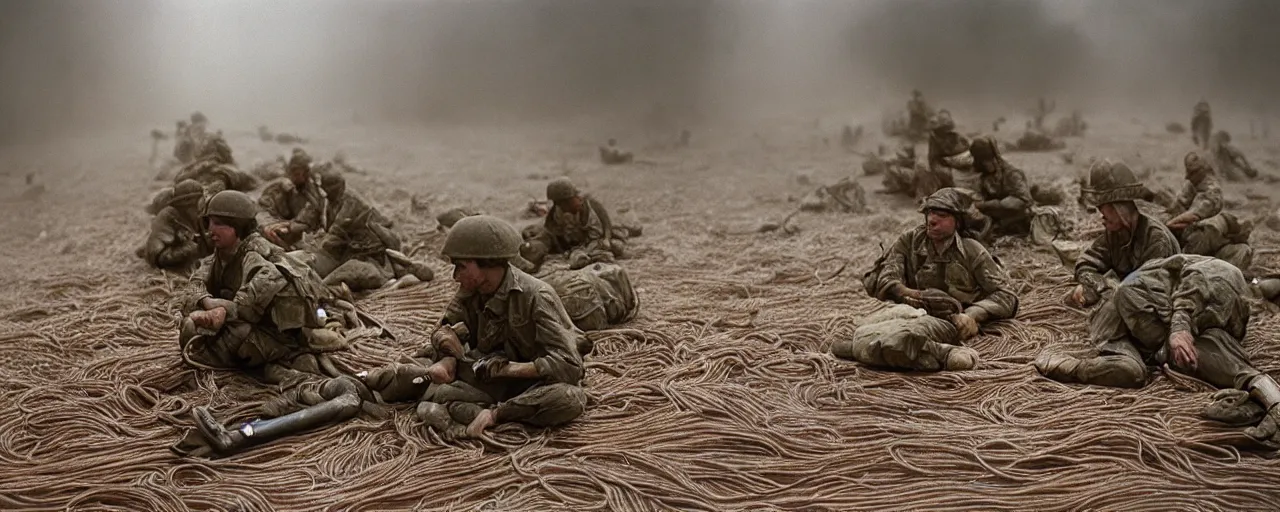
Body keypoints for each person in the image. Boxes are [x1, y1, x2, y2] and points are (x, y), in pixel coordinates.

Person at [1035, 254, 1280, 447]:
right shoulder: (1124, 296)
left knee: (1212, 358)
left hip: (1183, 313)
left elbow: (1196, 285)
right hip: (1125, 321)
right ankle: (1066, 366)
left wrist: (1180, 328)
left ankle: (1272, 401)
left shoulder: (1214, 279)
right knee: (1129, 371)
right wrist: (1175, 334)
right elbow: (1126, 293)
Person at [417, 215, 588, 438]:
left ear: (485, 263)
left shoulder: (537, 296)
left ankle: (493, 414)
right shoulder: (472, 290)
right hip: (486, 379)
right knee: (418, 370)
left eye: (461, 267)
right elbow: (444, 327)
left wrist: (509, 369)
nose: (455, 276)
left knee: (569, 398)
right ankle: (469, 406)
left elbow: (570, 366)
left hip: (532, 385)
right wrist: (447, 357)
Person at [840, 188, 1018, 371]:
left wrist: (972, 314)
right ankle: (938, 353)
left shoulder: (972, 251)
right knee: (857, 333)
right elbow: (888, 273)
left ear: (957, 221)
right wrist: (908, 293)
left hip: (948, 320)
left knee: (896, 338)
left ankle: (942, 353)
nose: (932, 220)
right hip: (907, 310)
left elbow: (1006, 295)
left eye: (941, 215)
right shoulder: (910, 241)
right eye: (930, 213)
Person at [178, 190, 349, 372]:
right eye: (209, 222)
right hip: (244, 321)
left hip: (277, 332)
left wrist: (219, 308)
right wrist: (208, 302)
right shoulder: (221, 254)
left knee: (240, 339)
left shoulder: (259, 256)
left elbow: (247, 308)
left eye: (219, 224)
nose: (211, 229)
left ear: (239, 227)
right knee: (188, 322)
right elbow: (194, 285)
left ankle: (295, 357)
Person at [1066, 160, 1179, 309]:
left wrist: (1107, 286)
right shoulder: (1116, 232)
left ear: (1120, 208)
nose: (1101, 215)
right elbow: (1086, 262)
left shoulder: (1156, 239)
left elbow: (1148, 291)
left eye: (1103, 207)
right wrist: (1095, 285)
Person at [297, 170, 435, 291]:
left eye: (328, 188)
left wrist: (320, 252)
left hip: (368, 253)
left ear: (340, 186)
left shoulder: (351, 201)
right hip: (347, 250)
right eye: (323, 188)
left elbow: (336, 230)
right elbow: (318, 223)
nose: (325, 193)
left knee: (345, 274)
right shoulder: (331, 202)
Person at [521, 177, 637, 271]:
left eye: (572, 199)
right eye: (564, 202)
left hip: (592, 241)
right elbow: (550, 231)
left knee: (615, 246)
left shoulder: (590, 205)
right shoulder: (556, 214)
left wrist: (605, 239)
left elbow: (606, 224)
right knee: (535, 247)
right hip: (568, 243)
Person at [1165, 151, 1253, 271]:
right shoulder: (1192, 184)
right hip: (1197, 235)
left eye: (1192, 172)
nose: (1187, 176)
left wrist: (1167, 226)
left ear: (1203, 170)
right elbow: (1177, 206)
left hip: (1209, 236)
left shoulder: (1212, 191)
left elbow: (1191, 217)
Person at [257, 149, 325, 250]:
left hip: (302, 232)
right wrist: (272, 225)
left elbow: (315, 215)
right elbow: (262, 211)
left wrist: (292, 226)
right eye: (296, 174)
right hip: (278, 227)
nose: (301, 178)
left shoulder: (314, 190)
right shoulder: (278, 188)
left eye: (304, 174)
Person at [138, 179, 209, 270]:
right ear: (191, 202)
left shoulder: (194, 215)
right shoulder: (169, 216)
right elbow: (159, 257)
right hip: (162, 257)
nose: (203, 202)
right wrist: (195, 249)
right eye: (201, 199)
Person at [970, 136, 1034, 236]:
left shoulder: (1012, 174)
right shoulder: (983, 176)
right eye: (984, 161)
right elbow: (978, 196)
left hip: (1016, 215)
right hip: (993, 215)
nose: (987, 164)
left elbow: (1024, 200)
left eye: (989, 160)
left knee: (1007, 205)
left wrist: (989, 204)